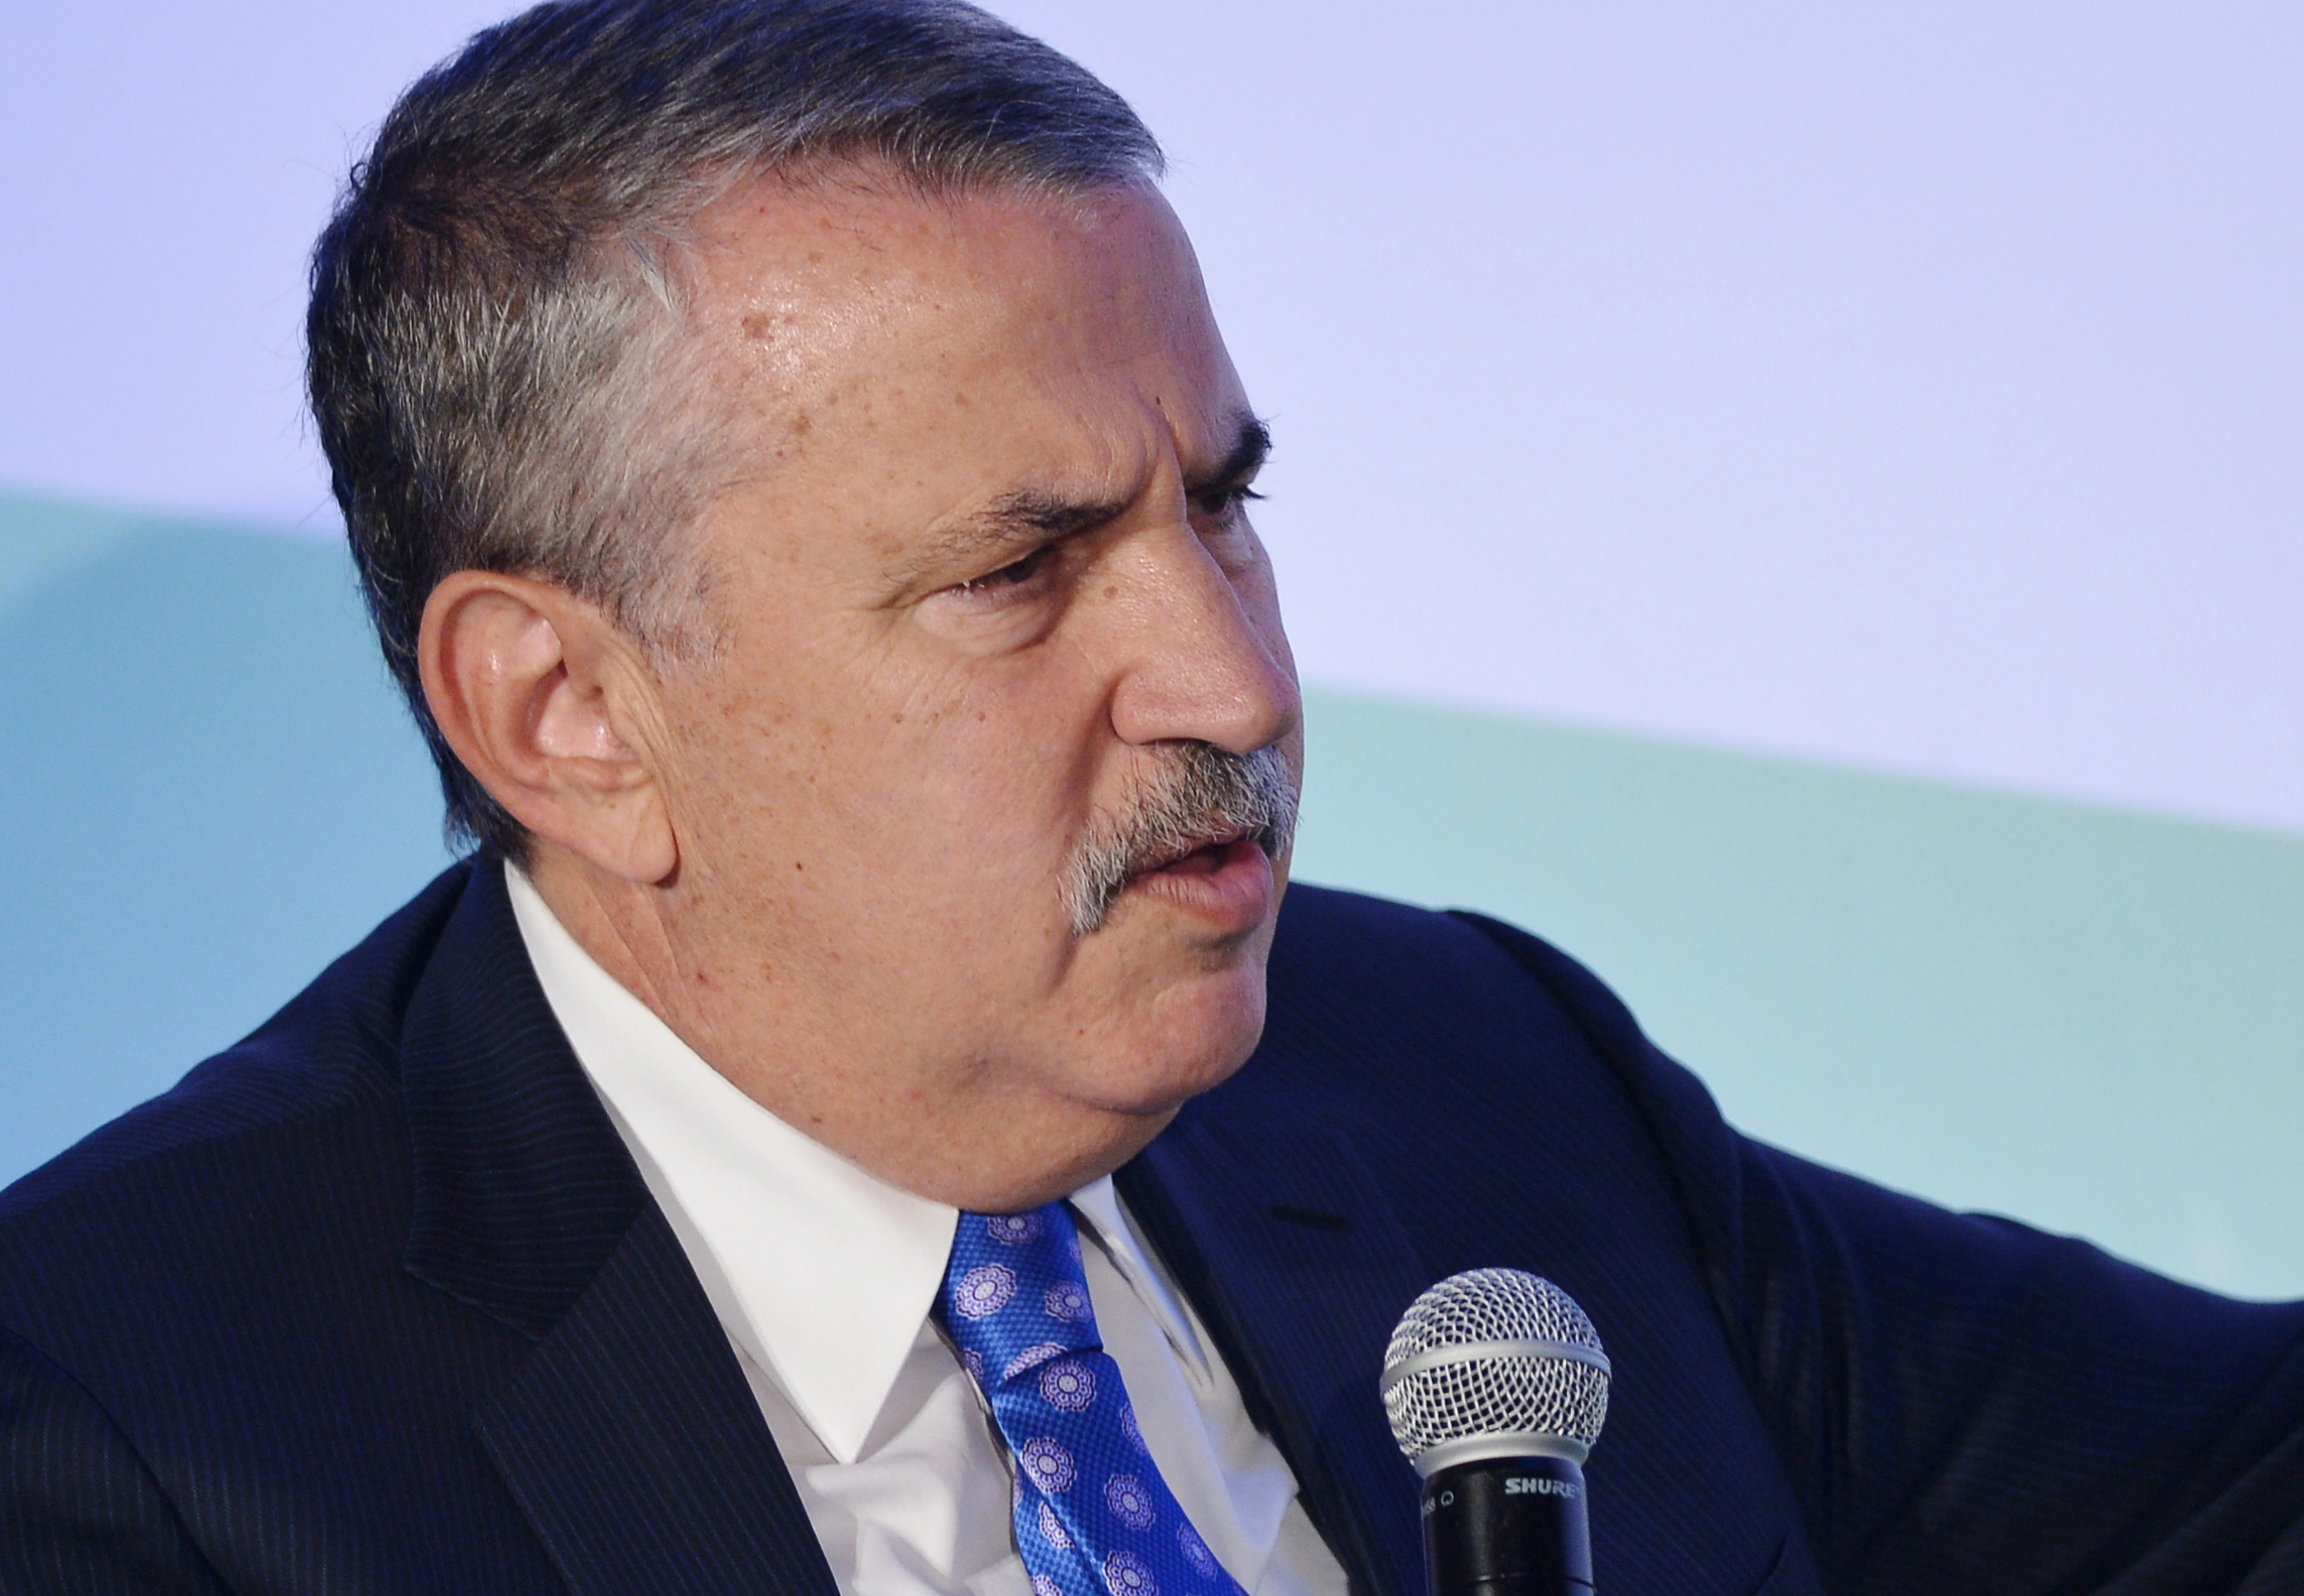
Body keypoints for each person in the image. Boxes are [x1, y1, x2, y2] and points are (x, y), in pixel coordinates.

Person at [3, 1, 2300, 1591]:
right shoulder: (133, 1436)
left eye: (1220, 501)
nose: (1229, 673)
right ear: (564, 714)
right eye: (1020, 570)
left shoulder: (1465, 1078)